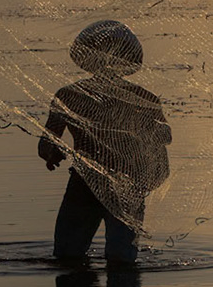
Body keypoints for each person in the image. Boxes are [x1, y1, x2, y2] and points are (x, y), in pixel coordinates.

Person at [39, 19, 172, 265]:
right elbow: (161, 149)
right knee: (122, 262)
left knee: (68, 258)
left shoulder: (69, 95)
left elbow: (46, 144)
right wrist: (148, 183)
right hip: (128, 187)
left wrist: (52, 155)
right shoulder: (145, 99)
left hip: (83, 185)